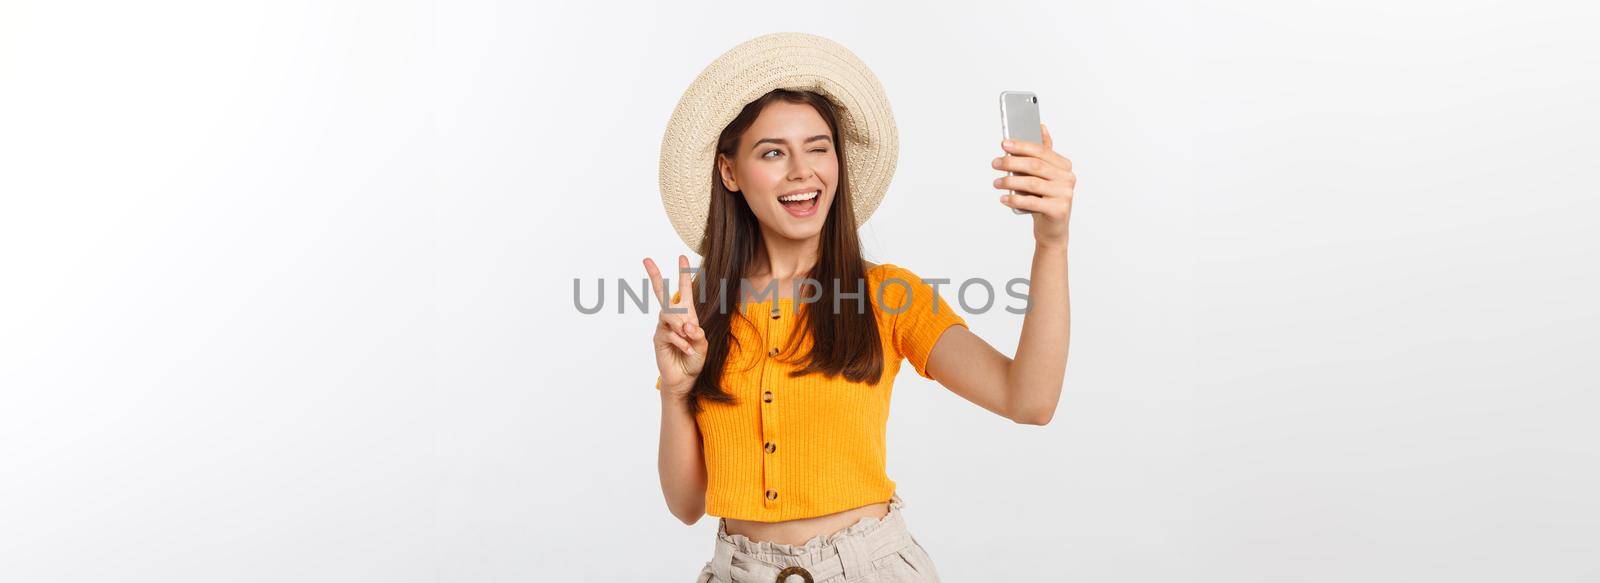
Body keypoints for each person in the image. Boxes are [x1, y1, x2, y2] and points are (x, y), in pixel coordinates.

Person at [643, 32, 1074, 583]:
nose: (802, 170)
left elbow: (1030, 400)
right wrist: (678, 392)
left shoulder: (889, 297)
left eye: (818, 147)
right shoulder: (700, 312)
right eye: (773, 151)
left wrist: (1051, 244)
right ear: (729, 172)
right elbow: (686, 505)